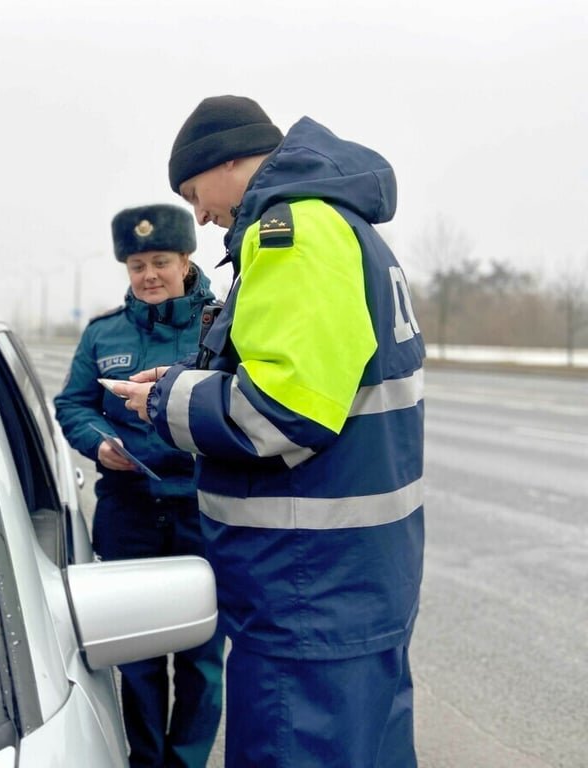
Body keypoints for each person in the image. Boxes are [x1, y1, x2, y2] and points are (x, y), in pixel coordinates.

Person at [114, 96, 426, 767]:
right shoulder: (340, 224)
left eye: (195, 192)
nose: (199, 214)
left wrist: (164, 398)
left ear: (229, 159)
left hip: (305, 592)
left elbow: (283, 412)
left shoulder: (292, 230)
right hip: (351, 588)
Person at [53, 203, 225, 768]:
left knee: (201, 659)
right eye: (136, 265)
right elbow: (74, 404)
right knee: (139, 660)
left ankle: (187, 764)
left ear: (186, 260)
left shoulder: (223, 325)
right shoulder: (106, 333)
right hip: (128, 513)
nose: (149, 276)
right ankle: (146, 763)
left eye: (160, 262)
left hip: (204, 513)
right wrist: (100, 442)